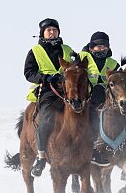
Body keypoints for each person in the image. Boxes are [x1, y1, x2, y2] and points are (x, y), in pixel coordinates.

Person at [23, 18, 98, 176]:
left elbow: (78, 64)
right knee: (46, 117)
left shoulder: (67, 49)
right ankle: (42, 156)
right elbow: (28, 73)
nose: (52, 32)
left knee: (91, 113)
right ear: (42, 33)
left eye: (55, 30)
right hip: (48, 90)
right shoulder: (35, 52)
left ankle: (94, 149)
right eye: (48, 30)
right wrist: (45, 77)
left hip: (69, 89)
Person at [79, 31, 126, 167]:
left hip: (107, 99)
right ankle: (89, 150)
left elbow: (121, 82)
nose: (102, 49)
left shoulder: (112, 63)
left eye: (104, 46)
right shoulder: (82, 59)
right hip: (86, 100)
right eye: (98, 46)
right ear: (91, 47)